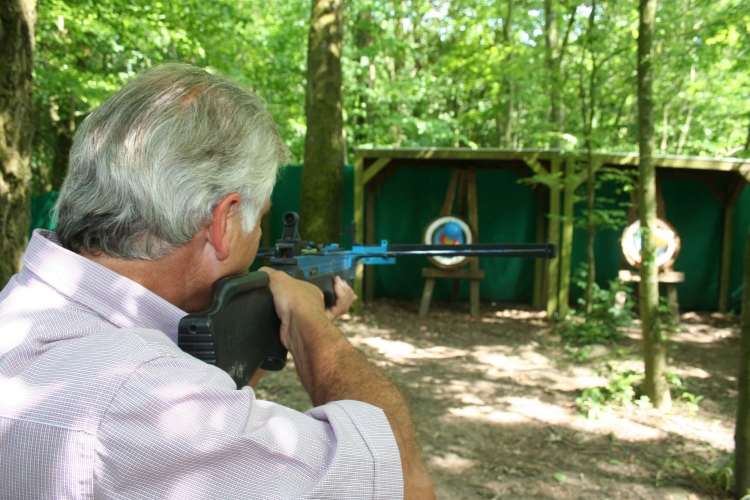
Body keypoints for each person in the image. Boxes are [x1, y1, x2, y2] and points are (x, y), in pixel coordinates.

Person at [0, 64, 434, 499]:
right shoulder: (145, 398)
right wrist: (310, 324)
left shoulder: (23, 313)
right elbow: (405, 484)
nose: (259, 235)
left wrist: (269, 336)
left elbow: (212, 395)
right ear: (223, 223)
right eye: (260, 219)